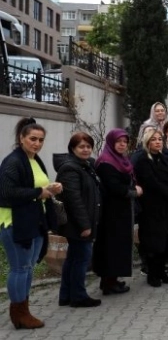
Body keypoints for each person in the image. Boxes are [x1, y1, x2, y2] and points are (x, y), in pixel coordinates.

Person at [0, 118, 60, 329]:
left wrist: (51, 188)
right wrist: (38, 193)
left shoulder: (35, 159)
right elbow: (6, 193)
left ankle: (23, 310)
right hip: (15, 224)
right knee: (20, 268)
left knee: (28, 268)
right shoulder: (13, 161)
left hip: (34, 221)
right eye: (32, 139)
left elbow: (38, 186)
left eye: (40, 140)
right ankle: (19, 313)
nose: (37, 143)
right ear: (21, 138)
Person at [54, 132, 103, 308]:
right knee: (81, 259)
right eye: (81, 146)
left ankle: (66, 295)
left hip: (83, 222)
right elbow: (73, 199)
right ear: (72, 148)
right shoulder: (70, 168)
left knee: (73, 258)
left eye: (88, 146)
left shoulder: (85, 165)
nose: (85, 150)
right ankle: (78, 296)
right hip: (78, 224)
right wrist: (85, 225)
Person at [94, 129, 141, 296]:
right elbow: (114, 187)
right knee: (111, 246)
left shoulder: (121, 160)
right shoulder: (106, 162)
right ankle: (108, 283)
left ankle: (111, 279)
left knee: (118, 246)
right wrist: (134, 191)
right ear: (111, 143)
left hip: (121, 210)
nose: (122, 145)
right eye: (119, 141)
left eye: (125, 142)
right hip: (111, 212)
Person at [134, 128, 168, 287]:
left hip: (165, 205)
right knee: (153, 241)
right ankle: (152, 274)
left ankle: (161, 271)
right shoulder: (143, 159)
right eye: (153, 139)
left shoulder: (164, 157)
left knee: (165, 240)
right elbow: (152, 182)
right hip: (150, 206)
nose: (157, 142)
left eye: (159, 139)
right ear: (147, 142)